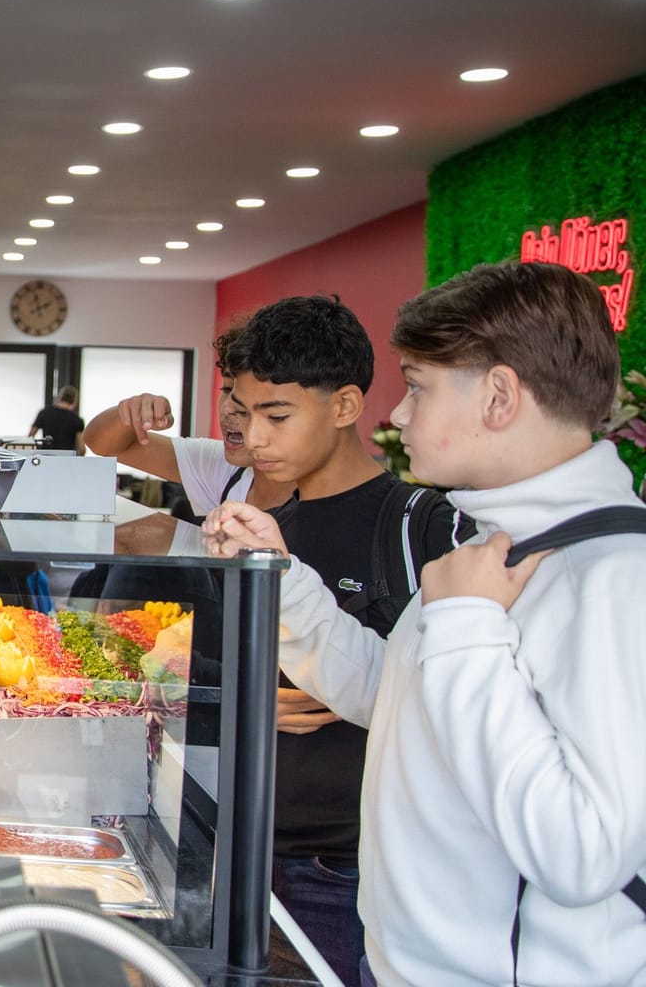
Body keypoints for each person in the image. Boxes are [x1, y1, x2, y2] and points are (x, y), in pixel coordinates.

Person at [207, 263, 646, 987]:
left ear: (499, 397)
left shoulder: (612, 573)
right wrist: (279, 576)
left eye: (418, 386)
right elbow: (393, 699)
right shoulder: (494, 548)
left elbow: (583, 852)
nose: (402, 416)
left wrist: (470, 631)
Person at [221, 295, 470, 983]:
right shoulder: (267, 528)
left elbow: (436, 697)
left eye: (276, 416)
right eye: (244, 414)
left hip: (346, 866)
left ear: (345, 405)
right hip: (242, 846)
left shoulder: (424, 527)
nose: (256, 438)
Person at [81, 325, 298, 517]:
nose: (230, 408)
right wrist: (130, 413)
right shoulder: (223, 468)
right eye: (227, 389)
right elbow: (101, 443)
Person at [29, 385, 85, 451]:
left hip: (45, 456)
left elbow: (30, 438)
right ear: (75, 401)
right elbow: (81, 448)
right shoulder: (77, 420)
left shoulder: (44, 413)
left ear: (59, 397)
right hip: (66, 458)